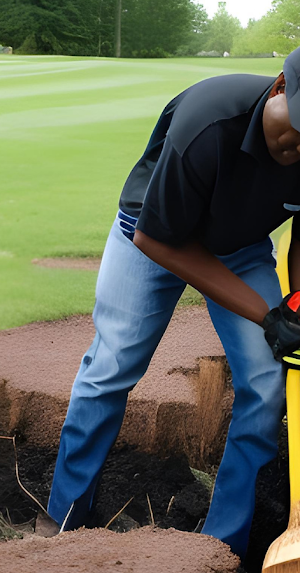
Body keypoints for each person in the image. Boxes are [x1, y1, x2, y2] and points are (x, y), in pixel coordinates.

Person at [46, 46, 300, 559]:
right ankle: (62, 521)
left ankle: (219, 546)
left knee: (267, 383)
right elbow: (156, 241)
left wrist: (296, 303)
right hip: (149, 234)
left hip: (239, 247)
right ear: (278, 89)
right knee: (110, 369)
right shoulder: (209, 120)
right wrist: (268, 315)